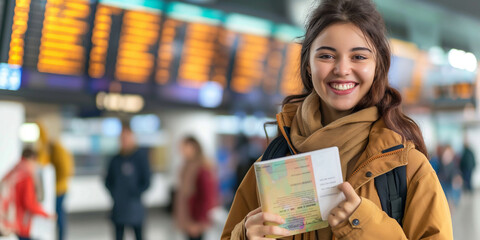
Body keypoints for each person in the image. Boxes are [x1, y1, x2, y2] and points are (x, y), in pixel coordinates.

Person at [221, 0, 452, 239]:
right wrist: (244, 235)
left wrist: (365, 225)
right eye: (327, 55)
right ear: (308, 65)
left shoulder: (407, 168)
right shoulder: (273, 164)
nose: (342, 69)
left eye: (359, 57)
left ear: (378, 66)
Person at [105, 124, 151, 240]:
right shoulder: (115, 159)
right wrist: (115, 193)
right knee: (118, 234)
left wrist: (136, 193)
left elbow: (147, 180)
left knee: (138, 234)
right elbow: (108, 180)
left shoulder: (140, 157)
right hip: (119, 206)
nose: (124, 141)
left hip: (135, 205)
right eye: (122, 138)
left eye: (126, 137)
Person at [1, 148, 55, 240]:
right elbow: (29, 203)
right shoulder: (27, 175)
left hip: (10, 218)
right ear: (32, 158)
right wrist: (46, 215)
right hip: (21, 221)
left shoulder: (15, 169)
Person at [174, 136, 219, 240]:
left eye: (184, 147)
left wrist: (198, 221)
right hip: (187, 216)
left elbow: (207, 196)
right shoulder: (186, 166)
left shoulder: (202, 167)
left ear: (194, 148)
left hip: (195, 219)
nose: (181, 151)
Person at [36, 122, 74, 240]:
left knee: (59, 215)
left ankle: (62, 237)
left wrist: (55, 184)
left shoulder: (57, 149)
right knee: (55, 214)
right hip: (53, 189)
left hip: (60, 189)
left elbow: (66, 170)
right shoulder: (46, 150)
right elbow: (41, 164)